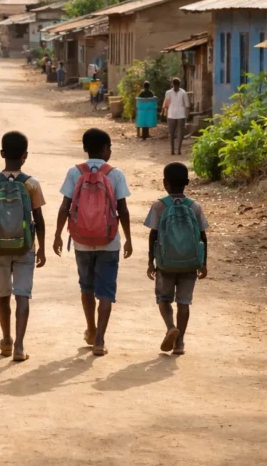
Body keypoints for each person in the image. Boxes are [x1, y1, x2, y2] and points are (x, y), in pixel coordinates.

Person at [53, 128, 132, 356]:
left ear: (85, 148)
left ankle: (90, 328)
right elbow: (123, 210)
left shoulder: (74, 172)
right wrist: (128, 238)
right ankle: (99, 340)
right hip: (109, 241)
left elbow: (65, 206)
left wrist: (58, 234)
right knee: (106, 291)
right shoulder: (115, 174)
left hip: (82, 241)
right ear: (106, 149)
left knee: (86, 287)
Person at [0, 131, 47, 362]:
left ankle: (6, 340)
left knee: (3, 295)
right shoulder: (31, 183)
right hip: (25, 247)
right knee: (22, 295)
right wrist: (42, 247)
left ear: (2, 153)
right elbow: (39, 219)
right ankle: (19, 346)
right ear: (25, 155)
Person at [145, 162, 209, 355]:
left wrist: (150, 262)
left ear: (165, 183)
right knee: (184, 302)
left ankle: (170, 327)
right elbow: (203, 237)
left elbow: (153, 235)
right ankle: (179, 343)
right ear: (187, 182)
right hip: (190, 263)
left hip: (165, 263)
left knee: (163, 298)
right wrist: (203, 263)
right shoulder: (195, 206)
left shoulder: (159, 205)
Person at [163, 77, 191, 156]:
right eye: (175, 85)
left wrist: (165, 113)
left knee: (175, 133)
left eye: (176, 85)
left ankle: (175, 150)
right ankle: (176, 150)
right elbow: (187, 105)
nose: (176, 87)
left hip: (176, 115)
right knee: (176, 133)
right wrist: (187, 114)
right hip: (176, 115)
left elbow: (165, 105)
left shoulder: (171, 93)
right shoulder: (181, 92)